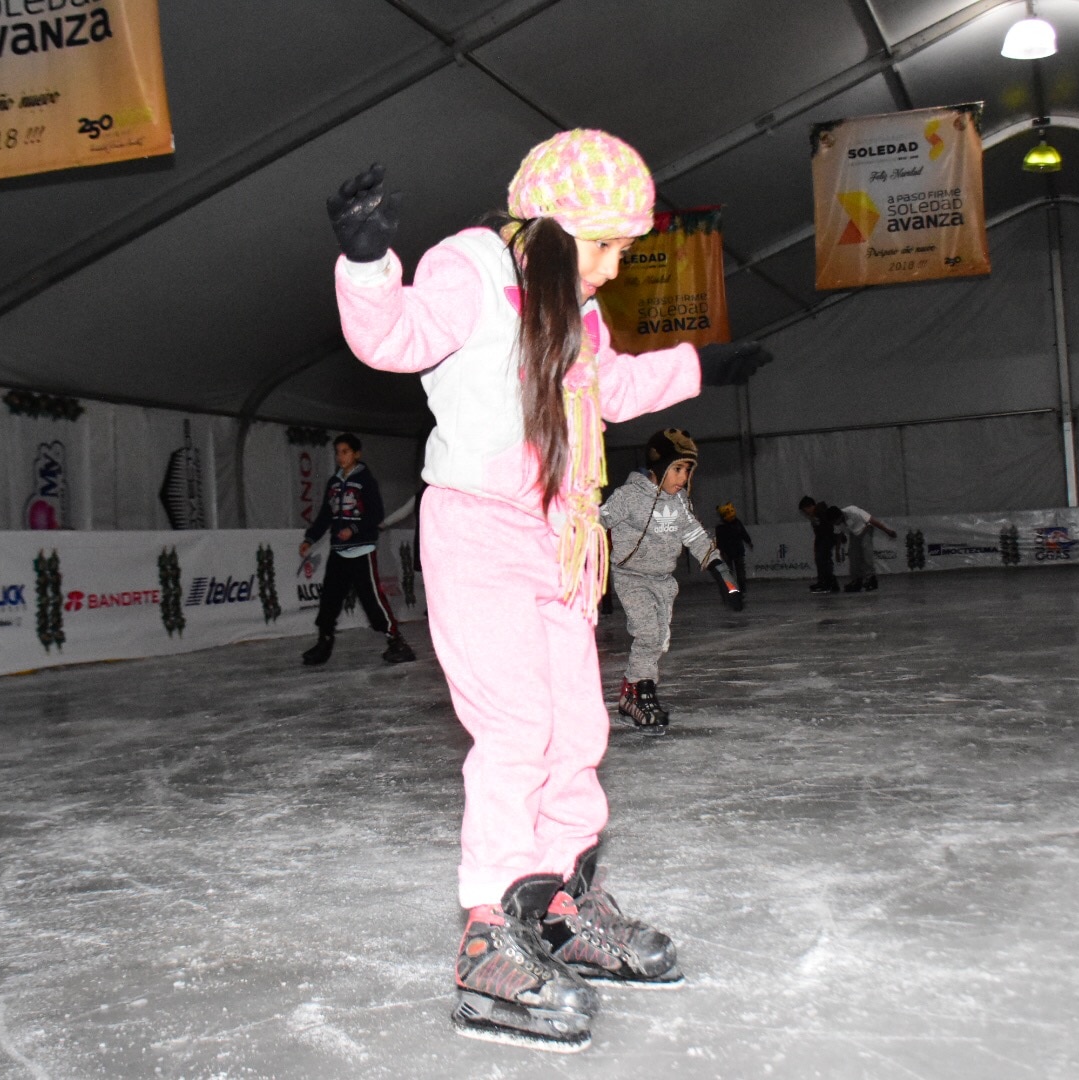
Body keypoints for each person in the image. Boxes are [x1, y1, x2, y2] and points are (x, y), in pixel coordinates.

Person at [327, 130, 770, 1052]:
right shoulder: (474, 268)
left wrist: (699, 365)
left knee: (578, 728)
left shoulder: (573, 308)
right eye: (609, 245)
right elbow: (395, 336)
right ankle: (488, 935)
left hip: (561, 535)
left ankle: (560, 904)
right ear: (562, 228)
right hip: (480, 531)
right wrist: (367, 262)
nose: (616, 267)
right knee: (517, 729)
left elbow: (600, 389)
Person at [602, 429, 739, 735]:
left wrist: (722, 573)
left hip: (664, 582)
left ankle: (630, 692)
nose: (682, 476)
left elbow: (694, 535)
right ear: (658, 465)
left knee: (658, 641)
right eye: (677, 468)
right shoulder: (628, 497)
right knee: (648, 634)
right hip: (632, 576)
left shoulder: (679, 502)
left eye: (687, 469)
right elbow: (599, 519)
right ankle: (643, 693)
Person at [298, 433, 417, 665]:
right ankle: (324, 641)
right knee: (330, 599)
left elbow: (375, 515)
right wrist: (310, 539)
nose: (340, 457)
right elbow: (325, 515)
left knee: (371, 599)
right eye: (337, 452)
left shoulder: (365, 481)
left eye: (345, 452)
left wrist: (353, 528)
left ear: (356, 454)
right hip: (338, 551)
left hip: (361, 550)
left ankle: (396, 641)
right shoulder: (334, 483)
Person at [839, 503, 898, 591]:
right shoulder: (838, 521)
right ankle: (857, 580)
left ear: (840, 516)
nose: (837, 524)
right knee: (853, 555)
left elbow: (872, 520)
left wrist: (887, 531)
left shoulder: (853, 511)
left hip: (866, 528)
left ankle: (871, 579)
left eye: (837, 521)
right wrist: (841, 535)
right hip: (855, 533)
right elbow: (842, 530)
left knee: (866, 552)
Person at [798, 496, 842, 593]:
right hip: (822, 539)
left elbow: (828, 526)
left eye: (805, 510)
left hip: (826, 539)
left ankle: (828, 583)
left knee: (824, 560)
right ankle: (824, 581)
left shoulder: (821, 512)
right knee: (820, 560)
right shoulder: (815, 515)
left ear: (810, 506)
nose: (806, 513)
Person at [714, 501, 754, 592]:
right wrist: (748, 541)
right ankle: (740, 588)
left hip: (730, 551)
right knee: (738, 571)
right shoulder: (735, 522)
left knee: (732, 571)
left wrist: (720, 551)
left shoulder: (721, 526)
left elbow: (719, 541)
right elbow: (743, 533)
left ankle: (734, 588)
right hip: (735, 550)